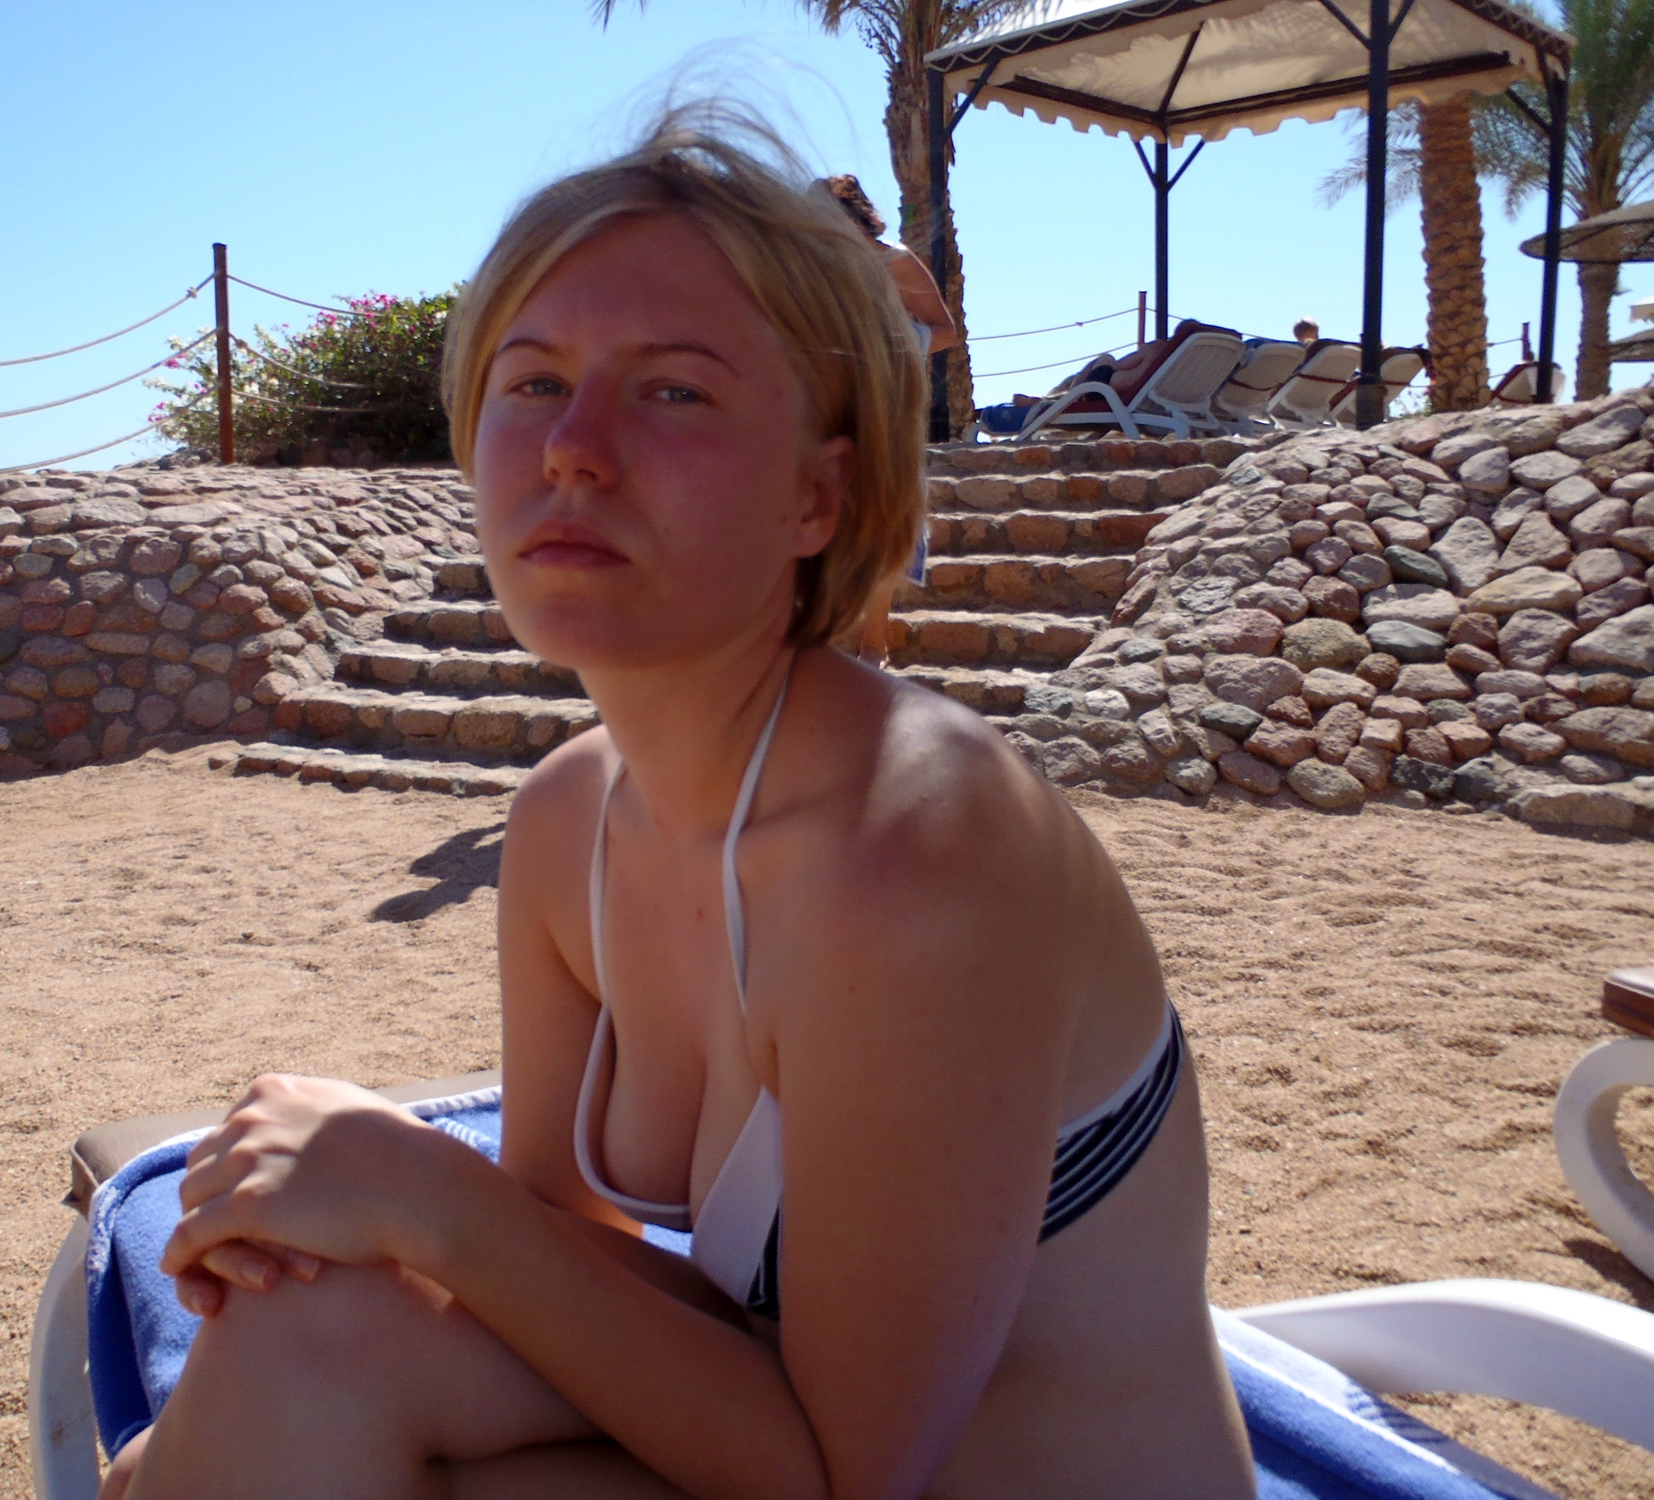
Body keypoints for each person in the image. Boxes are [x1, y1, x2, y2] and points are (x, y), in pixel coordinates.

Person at [111, 107, 1255, 1500]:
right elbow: (555, 1257)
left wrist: (422, 1195)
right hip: (790, 1431)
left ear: (818, 496)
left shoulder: (917, 854)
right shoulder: (566, 826)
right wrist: (360, 1240)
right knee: (303, 1346)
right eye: (533, 381)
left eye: (671, 392)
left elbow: (845, 1474)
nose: (572, 449)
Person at [814, 174, 951, 666]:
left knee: (887, 518)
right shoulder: (818, 271)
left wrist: (889, 343)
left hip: (890, 402)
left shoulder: (895, 261)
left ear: (853, 216)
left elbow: (945, 330)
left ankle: (874, 643)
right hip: (832, 402)